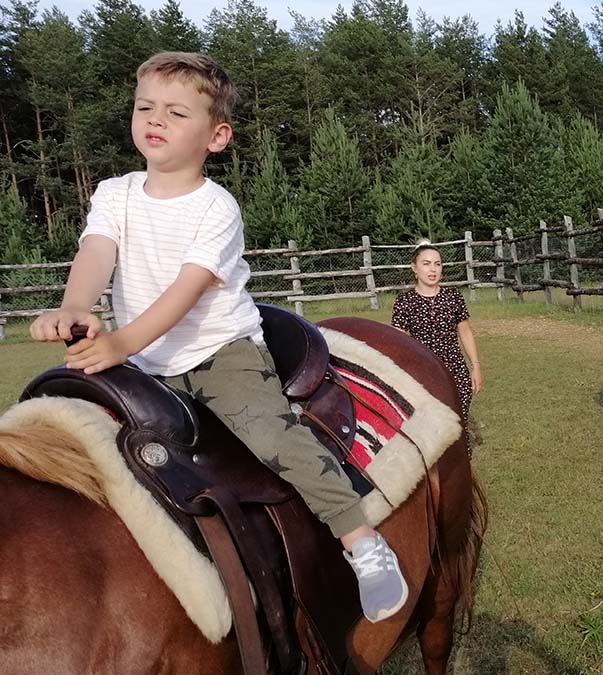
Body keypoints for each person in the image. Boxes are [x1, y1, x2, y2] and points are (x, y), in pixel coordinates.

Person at [28, 52, 408, 621]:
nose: (156, 119)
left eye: (177, 112)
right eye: (145, 107)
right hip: (144, 360)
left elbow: (187, 289)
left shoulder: (216, 208)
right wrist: (75, 307)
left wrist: (121, 344)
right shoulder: (115, 193)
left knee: (273, 438)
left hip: (219, 353)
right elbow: (96, 252)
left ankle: (361, 540)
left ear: (217, 136)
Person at [390, 243, 482, 424]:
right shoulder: (404, 302)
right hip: (422, 375)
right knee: (429, 428)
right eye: (426, 264)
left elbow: (465, 331)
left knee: (457, 425)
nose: (433, 269)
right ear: (414, 268)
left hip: (455, 373)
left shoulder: (453, 297)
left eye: (437, 264)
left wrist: (476, 366)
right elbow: (396, 342)